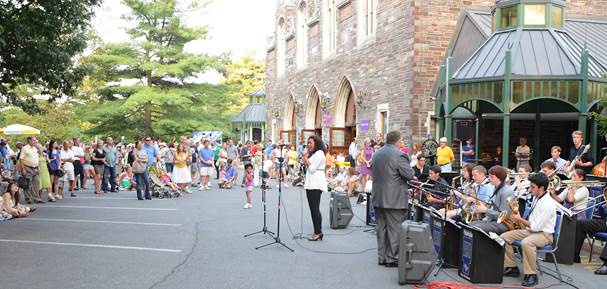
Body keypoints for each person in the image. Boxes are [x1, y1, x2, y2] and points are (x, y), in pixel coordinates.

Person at [501, 173, 556, 287]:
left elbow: (536, 227)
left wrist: (519, 219)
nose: (530, 189)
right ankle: (511, 267)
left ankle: (532, 275)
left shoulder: (548, 204)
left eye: (532, 187)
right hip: (531, 231)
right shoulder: (537, 197)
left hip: (544, 234)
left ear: (541, 188)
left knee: (527, 242)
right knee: (504, 237)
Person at [371, 130, 414, 267]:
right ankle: (392, 258)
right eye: (401, 140)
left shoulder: (377, 153)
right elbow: (409, 175)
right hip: (394, 198)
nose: (402, 143)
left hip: (378, 196)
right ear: (397, 141)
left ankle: (382, 256)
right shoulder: (400, 155)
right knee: (395, 229)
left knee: (381, 228)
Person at [468, 165, 514, 235]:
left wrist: (485, 210)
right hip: (493, 220)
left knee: (474, 227)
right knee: (468, 225)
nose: (489, 179)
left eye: (491, 177)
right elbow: (494, 208)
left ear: (499, 178)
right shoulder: (496, 188)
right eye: (489, 176)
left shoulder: (506, 192)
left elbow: (504, 217)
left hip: (504, 224)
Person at [303, 135, 328, 242]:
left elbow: (312, 169)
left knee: (315, 209)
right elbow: (308, 166)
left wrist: (305, 158)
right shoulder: (315, 154)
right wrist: (306, 157)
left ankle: (318, 232)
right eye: (307, 143)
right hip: (312, 183)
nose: (308, 145)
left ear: (316, 144)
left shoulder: (319, 153)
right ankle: (317, 231)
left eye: (310, 143)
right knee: (314, 209)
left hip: (315, 184)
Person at [19, 136, 42, 203]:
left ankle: (36, 198)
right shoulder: (25, 148)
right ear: (29, 140)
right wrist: (23, 169)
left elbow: (37, 158)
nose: (35, 141)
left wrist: (38, 168)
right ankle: (28, 198)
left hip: (35, 168)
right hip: (27, 167)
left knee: (36, 183)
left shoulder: (35, 148)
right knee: (28, 183)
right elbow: (21, 159)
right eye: (34, 140)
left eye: (35, 140)